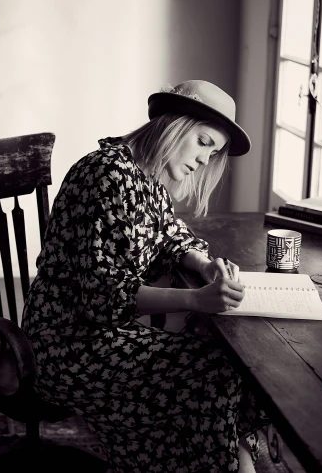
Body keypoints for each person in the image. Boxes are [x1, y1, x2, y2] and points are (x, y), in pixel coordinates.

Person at [21, 80, 269, 473]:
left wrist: (203, 264)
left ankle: (226, 461)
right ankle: (218, 462)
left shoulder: (146, 175)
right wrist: (195, 300)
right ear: (175, 124)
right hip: (66, 342)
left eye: (215, 152)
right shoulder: (107, 175)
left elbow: (169, 233)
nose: (207, 159)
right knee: (210, 375)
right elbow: (103, 298)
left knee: (228, 367)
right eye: (204, 142)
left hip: (106, 334)